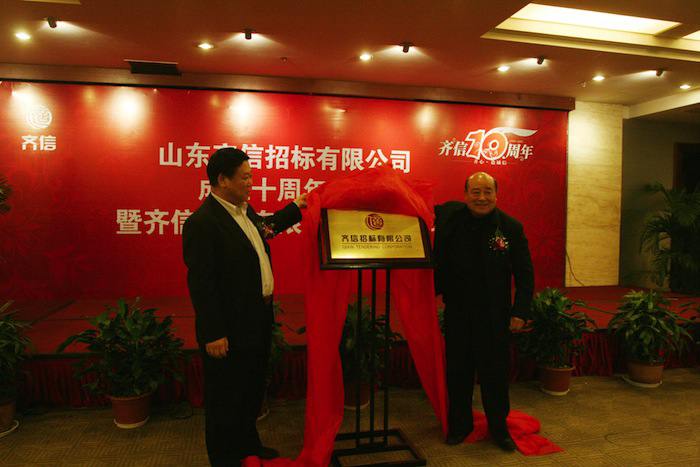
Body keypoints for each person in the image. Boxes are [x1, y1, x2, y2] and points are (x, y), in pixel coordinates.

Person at [182, 147, 307, 466]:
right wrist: (213, 332)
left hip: (257, 318)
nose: (252, 183)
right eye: (245, 177)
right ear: (222, 179)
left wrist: (298, 206)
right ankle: (224, 459)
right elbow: (202, 284)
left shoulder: (244, 212)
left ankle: (248, 446)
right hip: (228, 328)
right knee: (225, 398)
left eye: (251, 176)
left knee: (250, 389)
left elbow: (267, 228)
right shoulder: (203, 223)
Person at [433, 171, 534, 452]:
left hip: (495, 315)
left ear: (496, 195)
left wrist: (520, 312)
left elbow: (525, 274)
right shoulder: (451, 219)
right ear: (465, 195)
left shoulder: (511, 228)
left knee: (495, 376)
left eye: (487, 191)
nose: (481, 197)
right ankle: (460, 425)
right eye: (475, 191)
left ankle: (499, 429)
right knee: (458, 372)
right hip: (458, 312)